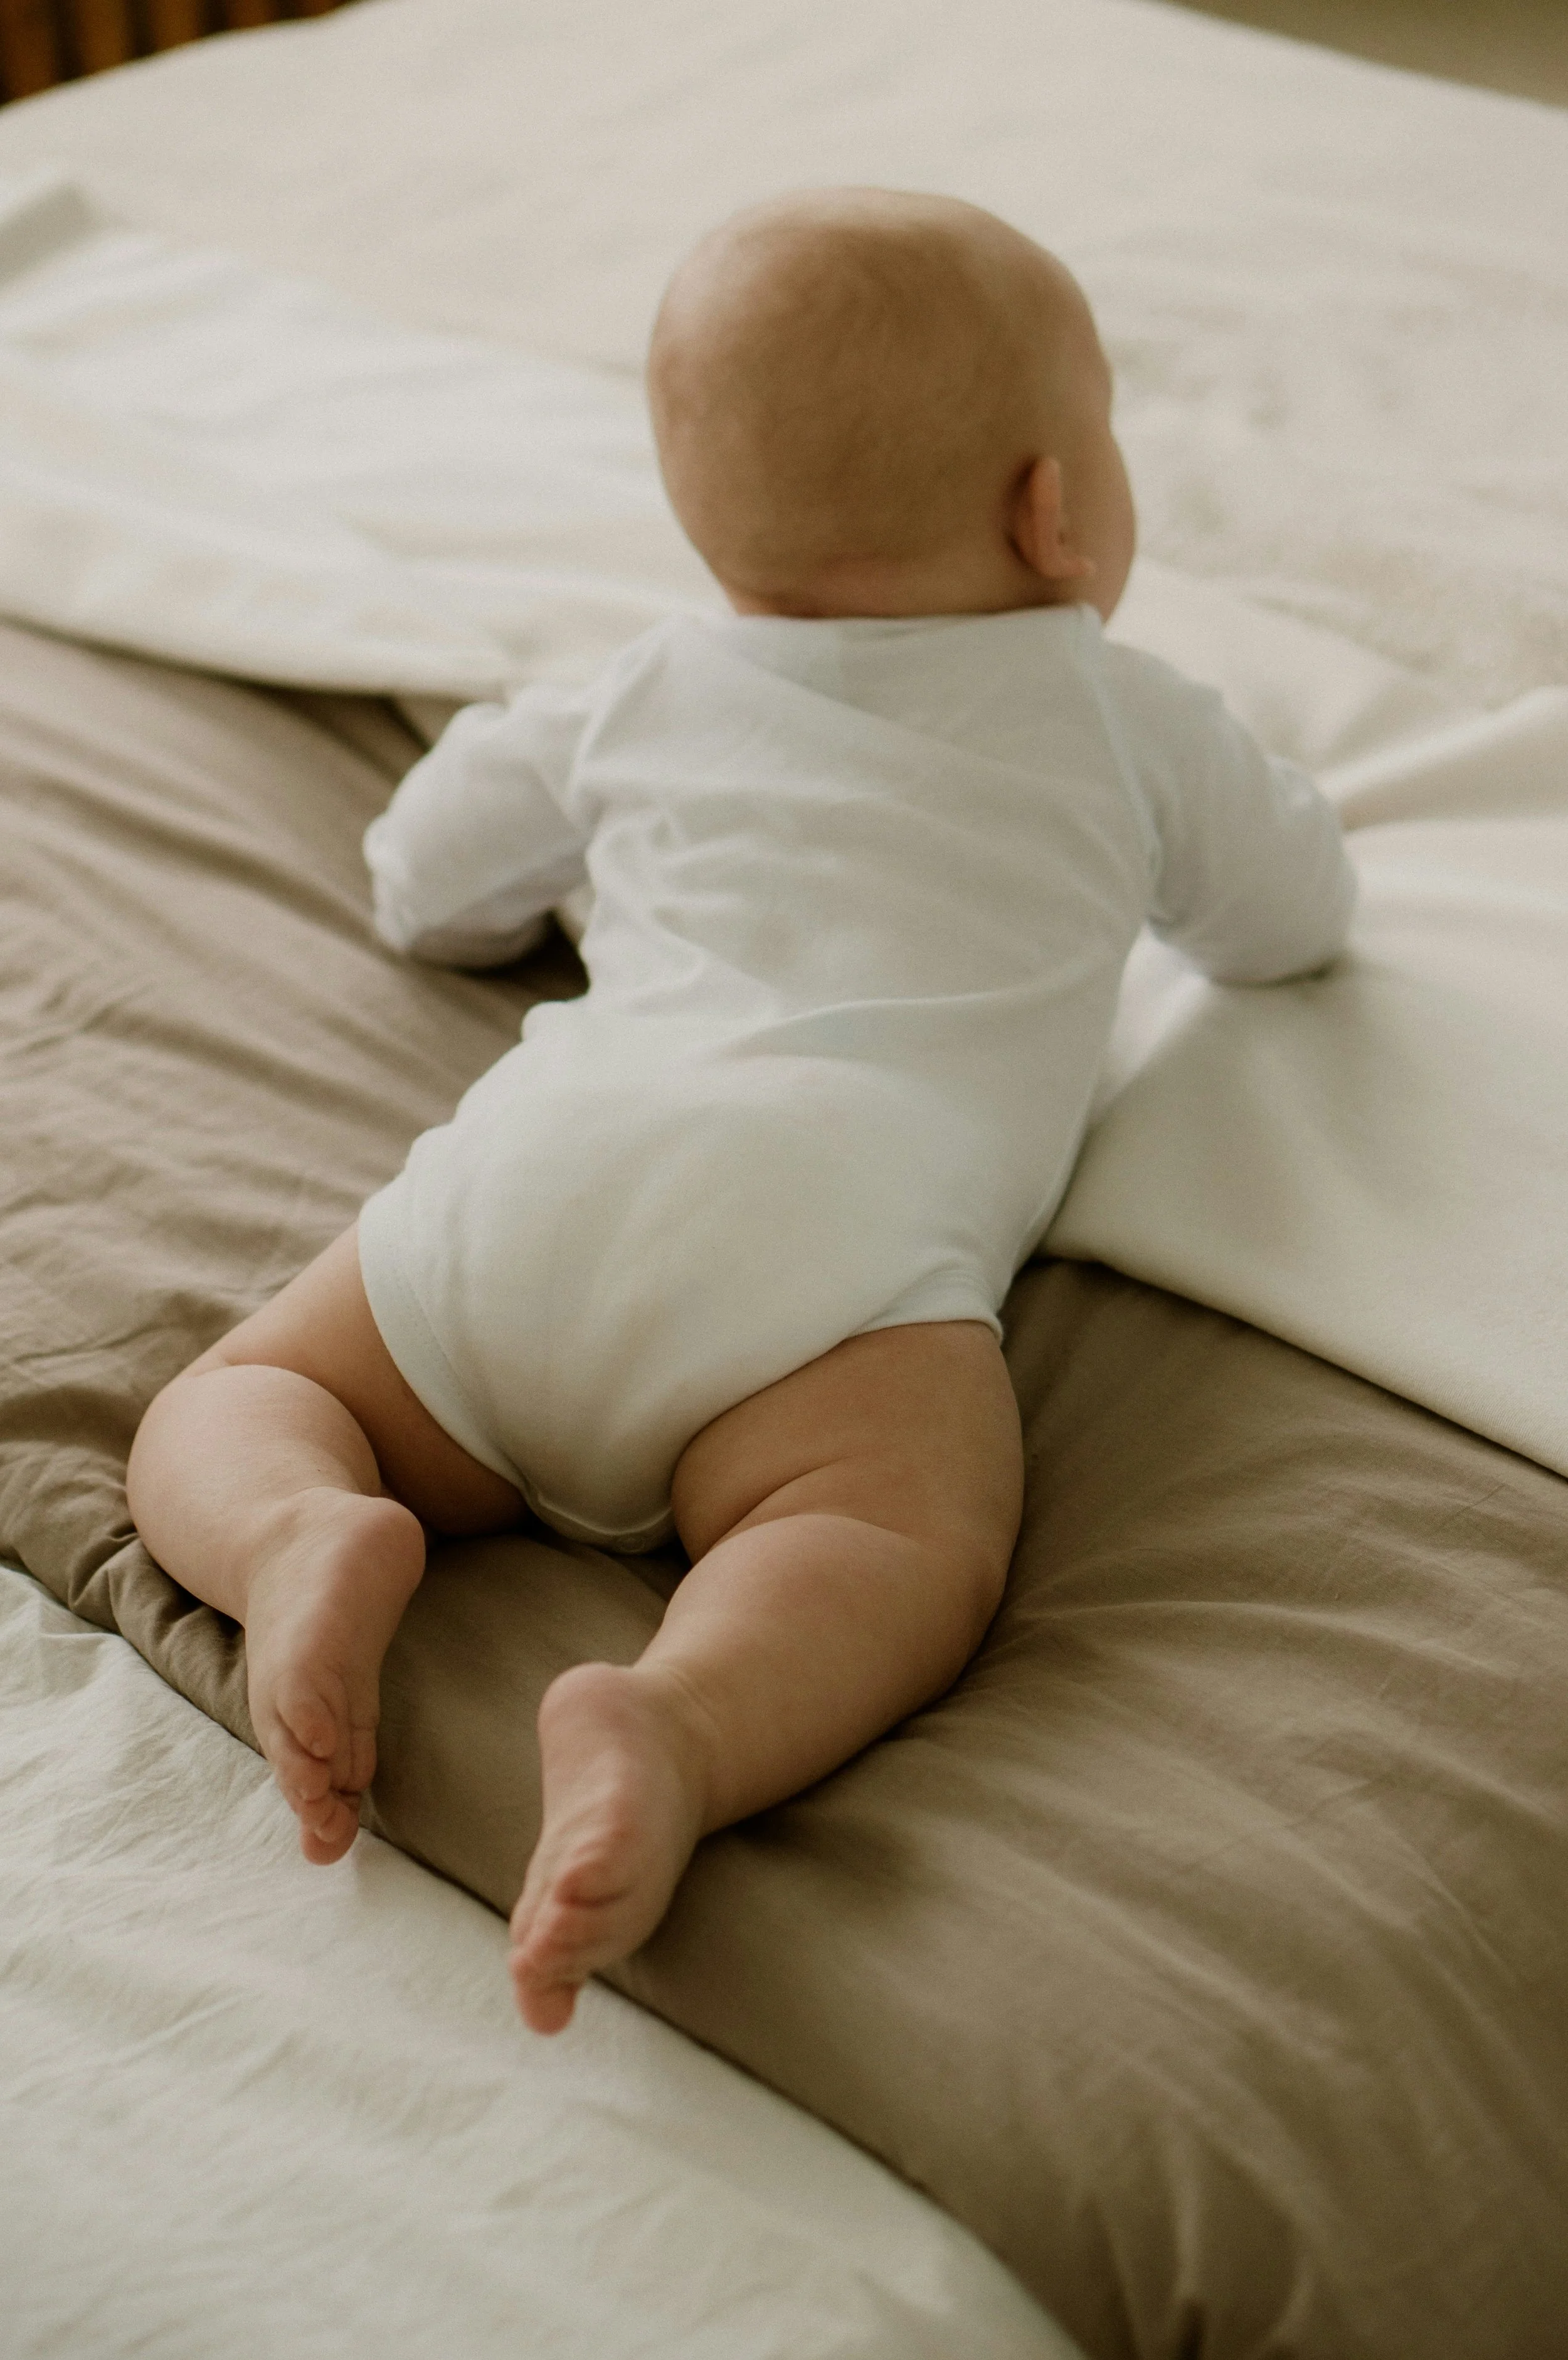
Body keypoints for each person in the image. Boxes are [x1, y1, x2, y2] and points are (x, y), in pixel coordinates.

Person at [127, 188, 1356, 2034]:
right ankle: (678, 1721)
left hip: (530, 1196)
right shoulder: (1115, 712)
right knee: (885, 1548)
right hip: (833, 1252)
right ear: (1051, 504)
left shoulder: (635, 689)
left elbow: (421, 882)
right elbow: (1292, 919)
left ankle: (299, 1532)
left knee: (235, 1398)